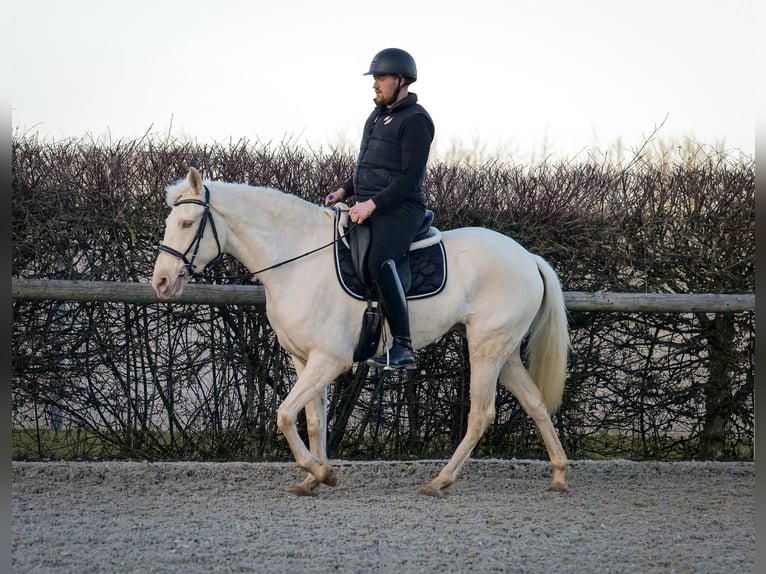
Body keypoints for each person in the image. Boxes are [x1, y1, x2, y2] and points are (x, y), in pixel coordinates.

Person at [326, 47, 435, 370]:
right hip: (371, 205)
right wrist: (345, 190)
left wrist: (372, 204)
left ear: (401, 81)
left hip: (401, 209)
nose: (375, 84)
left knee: (378, 260)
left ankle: (403, 346)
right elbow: (367, 167)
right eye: (374, 78)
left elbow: (409, 179)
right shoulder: (376, 116)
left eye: (381, 78)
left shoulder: (417, 120)